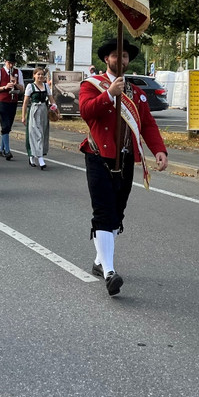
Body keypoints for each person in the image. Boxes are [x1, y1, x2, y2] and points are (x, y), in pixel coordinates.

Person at [79, 38, 168, 296]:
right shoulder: (92, 85)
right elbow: (86, 111)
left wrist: (159, 150)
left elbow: (148, 124)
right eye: (117, 56)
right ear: (107, 59)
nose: (122, 60)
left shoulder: (136, 92)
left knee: (117, 213)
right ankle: (109, 271)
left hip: (126, 158)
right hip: (99, 156)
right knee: (104, 212)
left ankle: (100, 261)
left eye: (126, 56)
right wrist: (108, 95)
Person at [0, 54, 24, 160]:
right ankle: (8, 151)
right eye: (9, 63)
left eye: (13, 63)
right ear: (5, 62)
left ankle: (1, 149)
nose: (11, 65)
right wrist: (5, 87)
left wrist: (16, 84)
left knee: (8, 126)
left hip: (13, 101)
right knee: (5, 125)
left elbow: (22, 88)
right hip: (3, 101)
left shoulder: (18, 72)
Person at [23, 66, 54, 169]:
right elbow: (25, 102)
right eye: (38, 74)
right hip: (34, 111)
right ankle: (39, 158)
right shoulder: (30, 87)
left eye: (42, 74)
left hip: (44, 110)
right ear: (34, 75)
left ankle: (34, 155)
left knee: (43, 133)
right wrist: (23, 116)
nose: (40, 76)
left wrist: (55, 108)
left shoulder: (46, 86)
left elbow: (51, 99)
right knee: (36, 134)